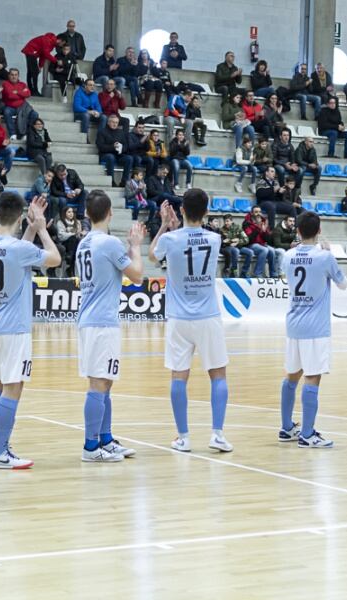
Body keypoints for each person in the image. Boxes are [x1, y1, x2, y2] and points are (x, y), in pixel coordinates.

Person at [0, 193, 61, 469]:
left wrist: (28, 228)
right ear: (18, 215)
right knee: (13, 387)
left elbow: (17, 253)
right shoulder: (17, 249)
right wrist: (41, 228)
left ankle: (1, 447)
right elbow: (55, 259)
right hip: (14, 328)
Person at [149, 194, 233, 453]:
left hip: (179, 318)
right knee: (218, 374)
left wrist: (165, 225)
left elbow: (153, 256)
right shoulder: (214, 238)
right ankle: (217, 434)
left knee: (179, 376)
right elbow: (194, 241)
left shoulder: (170, 239)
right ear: (207, 211)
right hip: (208, 315)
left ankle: (183, 437)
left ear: (181, 209)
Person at [74, 191, 145, 461]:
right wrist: (136, 246)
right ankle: (91, 447)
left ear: (87, 214)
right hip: (101, 322)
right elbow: (137, 276)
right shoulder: (110, 243)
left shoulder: (84, 244)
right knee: (99, 383)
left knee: (105, 381)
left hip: (91, 319)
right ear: (110, 213)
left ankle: (104, 439)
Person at [274, 211, 347, 448]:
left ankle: (286, 428)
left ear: (297, 230)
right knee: (312, 378)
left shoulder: (288, 255)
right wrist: (329, 254)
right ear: (319, 231)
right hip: (316, 327)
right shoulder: (325, 257)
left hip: (294, 323)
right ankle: (306, 434)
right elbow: (343, 284)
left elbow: (288, 278)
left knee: (292, 375)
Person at [242, 205, 277, 278]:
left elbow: (268, 240)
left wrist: (264, 232)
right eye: (256, 212)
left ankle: (273, 274)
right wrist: (258, 227)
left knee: (272, 251)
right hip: (251, 244)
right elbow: (249, 239)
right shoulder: (246, 223)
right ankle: (257, 273)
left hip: (262, 244)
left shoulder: (263, 221)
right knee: (264, 250)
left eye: (259, 212)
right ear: (251, 213)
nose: (258, 214)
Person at [0, 68, 33, 138]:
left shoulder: (23, 84)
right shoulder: (5, 84)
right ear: (9, 75)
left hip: (22, 106)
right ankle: (13, 134)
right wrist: (22, 94)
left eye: (16, 75)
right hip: (10, 106)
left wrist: (17, 92)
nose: (14, 77)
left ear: (18, 76)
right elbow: (10, 95)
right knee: (6, 112)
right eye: (12, 75)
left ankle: (26, 134)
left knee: (34, 114)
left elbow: (28, 94)